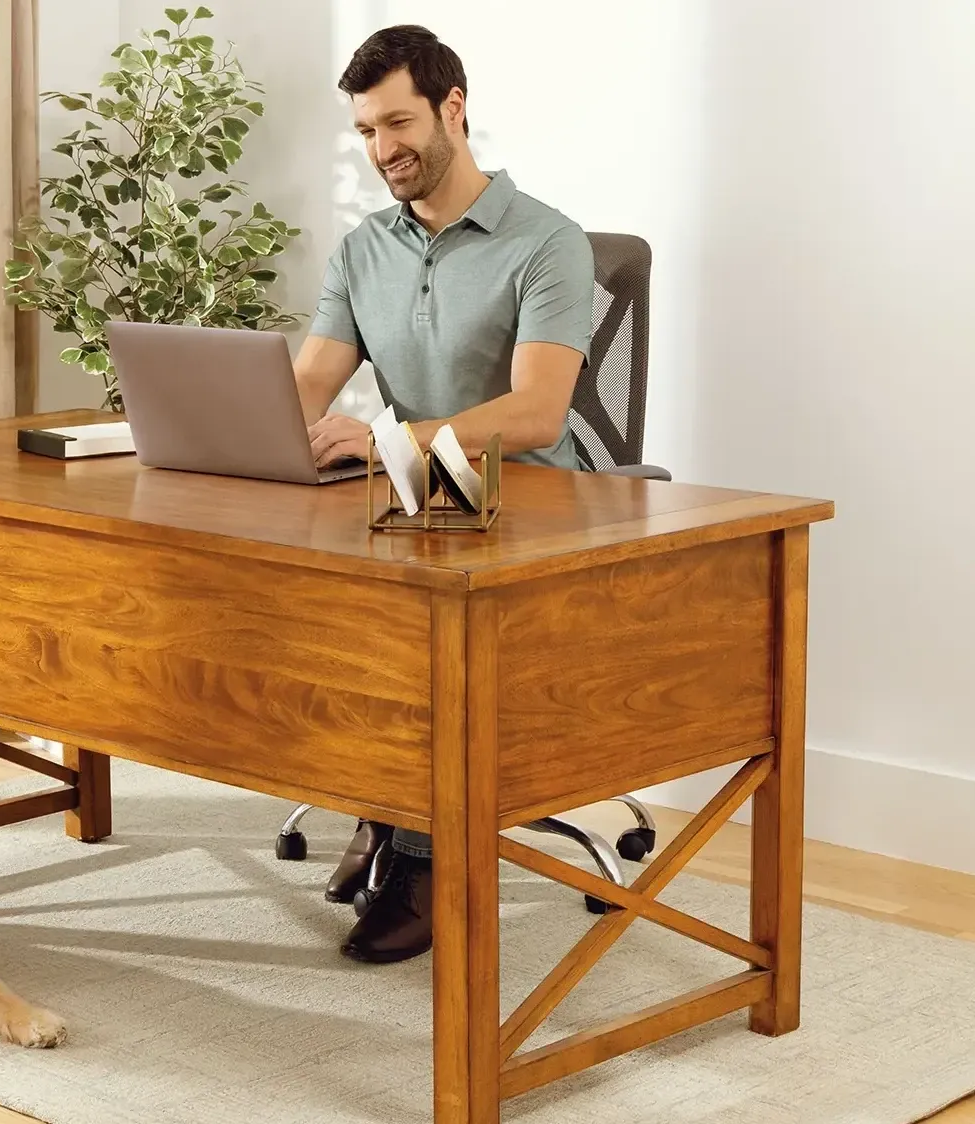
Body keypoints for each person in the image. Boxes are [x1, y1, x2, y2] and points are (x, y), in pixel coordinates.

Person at [291, 25, 596, 963]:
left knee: (426, 635)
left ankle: (421, 862)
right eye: (366, 132)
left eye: (399, 123)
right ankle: (385, 805)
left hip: (530, 506)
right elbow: (307, 387)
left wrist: (389, 438)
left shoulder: (550, 243)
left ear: (453, 108)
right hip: (411, 499)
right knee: (299, 591)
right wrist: (246, 428)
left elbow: (540, 414)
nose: (384, 150)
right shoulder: (362, 252)